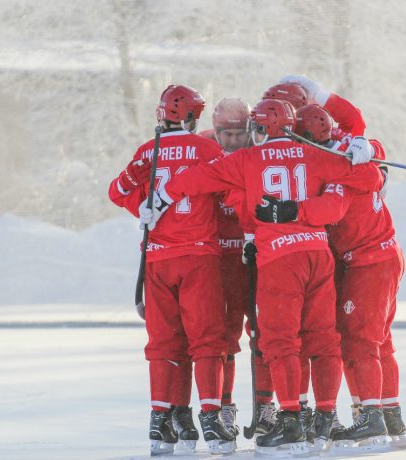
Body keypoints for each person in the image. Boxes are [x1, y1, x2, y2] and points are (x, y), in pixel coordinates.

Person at [141, 98, 383, 456]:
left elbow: (194, 180)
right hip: (317, 254)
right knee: (324, 339)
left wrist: (159, 198)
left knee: (280, 342)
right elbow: (370, 177)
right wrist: (363, 151)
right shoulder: (313, 155)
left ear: (259, 129)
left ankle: (289, 420)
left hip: (278, 258)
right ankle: (325, 415)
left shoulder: (246, 160)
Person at [275, 75, 406, 452]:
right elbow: (359, 128)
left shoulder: (336, 162)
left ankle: (371, 420)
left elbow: (331, 206)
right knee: (380, 342)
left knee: (359, 342)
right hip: (379, 255)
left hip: (369, 260)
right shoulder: (347, 147)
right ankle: (390, 415)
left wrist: (289, 210)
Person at [108, 84, 235, 456]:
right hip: (198, 256)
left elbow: (117, 190)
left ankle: (160, 421)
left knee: (164, 343)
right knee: (207, 340)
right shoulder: (207, 149)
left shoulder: (149, 151)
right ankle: (211, 419)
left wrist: (141, 206)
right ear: (194, 117)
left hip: (158, 259)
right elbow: (229, 189)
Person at [200, 97, 278, 436]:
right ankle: (226, 406)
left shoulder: (261, 150)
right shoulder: (202, 147)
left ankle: (265, 407)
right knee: (223, 336)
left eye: (238, 133)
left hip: (259, 256)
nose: (232, 141)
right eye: (225, 134)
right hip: (221, 258)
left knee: (265, 334)